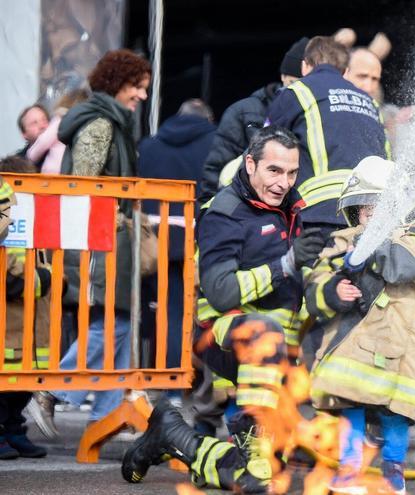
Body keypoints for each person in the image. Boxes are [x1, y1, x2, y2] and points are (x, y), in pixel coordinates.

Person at [121, 126, 325, 494]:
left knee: (260, 477)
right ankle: (254, 436)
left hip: (277, 354)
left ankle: (174, 436)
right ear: (250, 164)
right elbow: (221, 292)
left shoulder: (294, 209)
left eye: (292, 172)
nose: (284, 182)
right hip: (223, 335)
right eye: (274, 171)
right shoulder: (224, 214)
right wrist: (285, 266)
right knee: (265, 332)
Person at [304, 156, 415, 495]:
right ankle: (351, 469)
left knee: (396, 410)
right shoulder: (341, 242)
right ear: (355, 213)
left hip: (401, 350)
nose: (373, 217)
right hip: (354, 347)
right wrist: (332, 291)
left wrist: (372, 251)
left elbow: (407, 267)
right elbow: (314, 284)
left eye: (380, 209)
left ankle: (393, 469)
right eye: (366, 212)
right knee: (348, 400)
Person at [31, 48, 151, 432]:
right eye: (138, 87)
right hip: (98, 240)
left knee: (120, 324)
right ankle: (54, 392)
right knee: (113, 323)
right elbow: (83, 184)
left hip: (104, 237)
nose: (143, 96)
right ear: (118, 84)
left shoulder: (111, 120)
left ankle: (104, 418)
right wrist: (116, 215)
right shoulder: (101, 124)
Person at [266, 36, 391, 237]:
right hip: (369, 218)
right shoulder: (371, 103)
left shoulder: (296, 92)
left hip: (319, 214)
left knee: (320, 269)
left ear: (305, 66)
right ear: (345, 71)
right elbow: (387, 157)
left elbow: (264, 149)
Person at [137, 99, 216, 390]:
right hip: (197, 237)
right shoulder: (215, 142)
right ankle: (183, 380)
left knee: (163, 308)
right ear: (208, 120)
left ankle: (162, 377)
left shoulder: (149, 145)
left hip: (155, 238)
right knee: (197, 310)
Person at [198, 37, 309, 205]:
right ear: (283, 76)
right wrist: (211, 212)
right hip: (246, 214)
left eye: (304, 85)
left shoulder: (316, 118)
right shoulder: (244, 111)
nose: (296, 91)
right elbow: (215, 170)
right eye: (294, 83)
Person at [0, 157, 50, 460]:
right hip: (10, 321)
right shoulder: (6, 217)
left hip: (32, 323)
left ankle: (15, 430)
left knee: (23, 384)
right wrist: (46, 279)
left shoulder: (34, 217)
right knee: (4, 384)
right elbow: (10, 277)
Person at [26, 88, 91, 174]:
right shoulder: (89, 123)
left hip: (54, 174)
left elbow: (43, 142)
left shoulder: (60, 121)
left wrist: (30, 157)